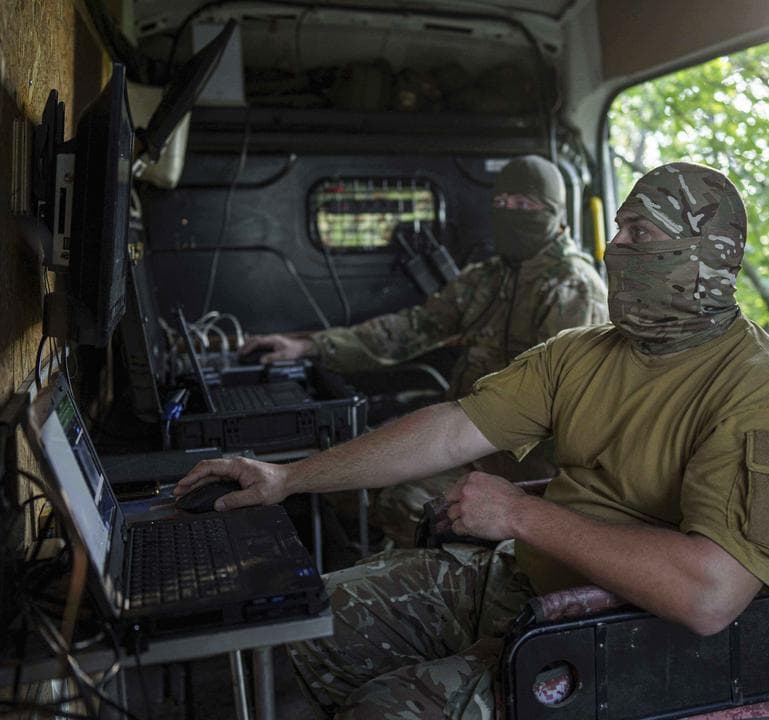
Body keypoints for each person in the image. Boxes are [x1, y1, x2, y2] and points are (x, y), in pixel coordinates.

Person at [177, 161, 769, 719]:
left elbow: (711, 596)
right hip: (522, 582)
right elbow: (454, 427)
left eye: (639, 233)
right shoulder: (583, 354)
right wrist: (288, 477)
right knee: (313, 620)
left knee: (385, 708)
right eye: (619, 231)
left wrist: (519, 513)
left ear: (706, 255)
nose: (618, 249)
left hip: (627, 636)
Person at [240, 154, 608, 546]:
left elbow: (561, 407)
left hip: (519, 459)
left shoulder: (573, 289)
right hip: (462, 434)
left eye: (524, 205)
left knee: (409, 502)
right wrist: (310, 345)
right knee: (339, 477)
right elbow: (412, 328)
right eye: (501, 203)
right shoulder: (491, 276)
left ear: (552, 210)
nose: (509, 212)